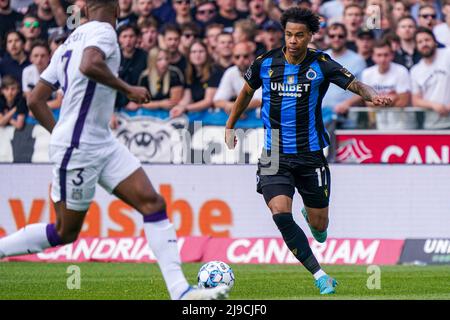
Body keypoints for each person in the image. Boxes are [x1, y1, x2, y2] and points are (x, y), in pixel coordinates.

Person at [0, 0, 229, 301]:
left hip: (99, 142)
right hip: (81, 145)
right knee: (64, 233)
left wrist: (62, 135)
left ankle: (181, 292)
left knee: (153, 203)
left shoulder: (71, 39)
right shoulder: (105, 33)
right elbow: (89, 64)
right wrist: (127, 89)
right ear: (115, 8)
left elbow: (34, 100)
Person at [224, 7, 391, 295]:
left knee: (320, 226)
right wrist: (230, 126)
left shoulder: (321, 64)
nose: (292, 41)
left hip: (311, 154)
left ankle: (315, 222)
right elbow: (246, 94)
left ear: (310, 36)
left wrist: (372, 95)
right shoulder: (265, 63)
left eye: (299, 35)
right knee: (280, 212)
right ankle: (319, 275)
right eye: (288, 34)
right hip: (274, 153)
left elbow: (354, 83)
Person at [361, 39, 416, 130]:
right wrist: (393, 97)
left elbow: (403, 101)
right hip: (380, 125)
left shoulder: (401, 71)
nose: (383, 59)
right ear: (373, 57)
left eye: (386, 55)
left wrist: (377, 99)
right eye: (379, 55)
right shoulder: (367, 73)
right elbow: (367, 102)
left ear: (392, 56)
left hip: (403, 125)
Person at [411, 27, 450, 129]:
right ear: (416, 47)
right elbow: (416, 100)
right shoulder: (415, 70)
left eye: (427, 40)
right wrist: (434, 105)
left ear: (435, 42)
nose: (424, 44)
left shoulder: (447, 55)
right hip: (431, 125)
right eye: (420, 42)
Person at [171, 40, 222, 117]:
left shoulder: (214, 72)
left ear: (207, 54)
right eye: (194, 52)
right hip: (198, 115)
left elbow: (208, 101)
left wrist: (185, 108)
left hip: (214, 117)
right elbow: (187, 98)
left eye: (201, 51)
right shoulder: (189, 73)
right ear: (189, 55)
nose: (197, 55)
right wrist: (178, 107)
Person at [214, 41, 262, 114]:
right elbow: (217, 100)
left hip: (261, 120)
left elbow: (260, 101)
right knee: (198, 124)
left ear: (252, 57)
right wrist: (230, 106)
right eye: (237, 57)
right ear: (233, 59)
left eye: (245, 56)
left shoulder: (260, 71)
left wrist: (237, 107)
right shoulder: (230, 72)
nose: (241, 60)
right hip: (243, 117)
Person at [138, 47, 184, 112]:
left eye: (166, 59)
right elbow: (143, 102)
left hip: (170, 111)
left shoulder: (174, 74)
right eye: (159, 60)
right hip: (149, 112)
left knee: (197, 122)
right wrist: (160, 104)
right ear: (152, 61)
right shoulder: (145, 77)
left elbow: (174, 101)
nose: (164, 63)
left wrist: (153, 104)